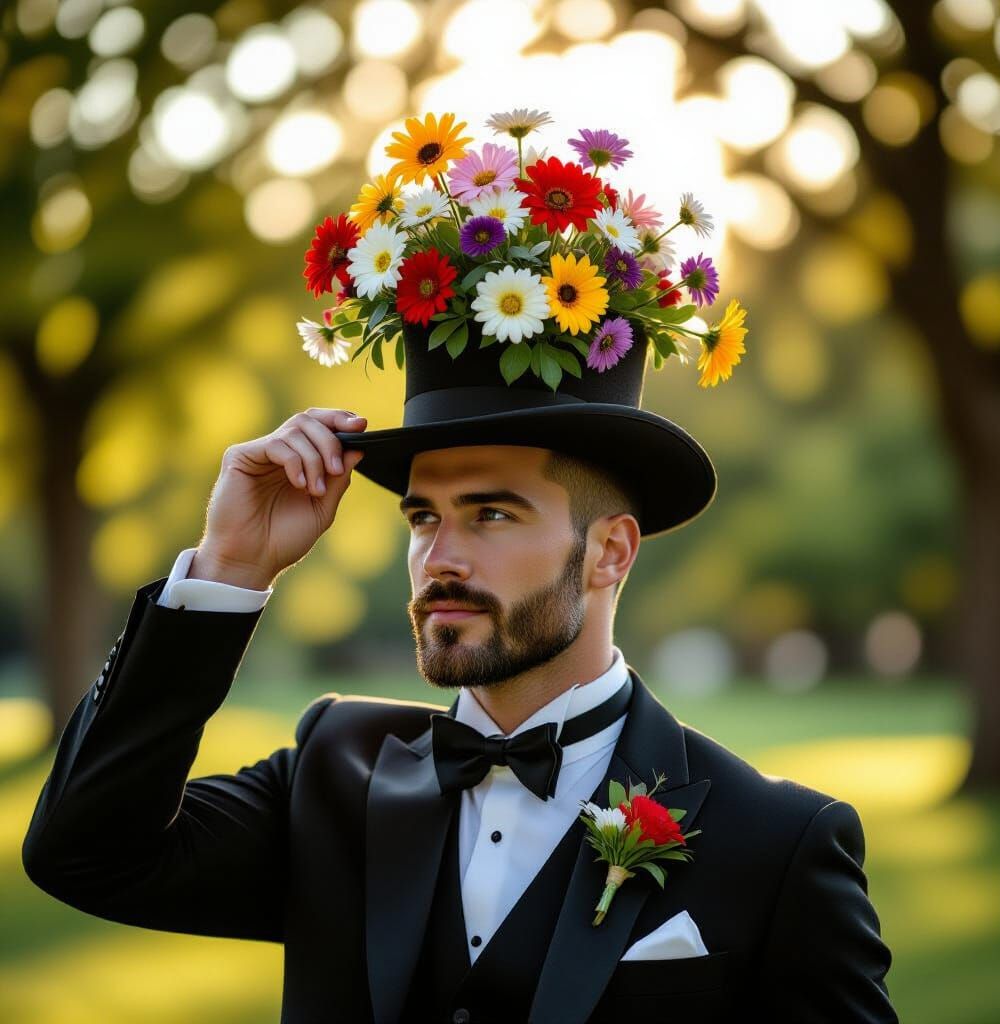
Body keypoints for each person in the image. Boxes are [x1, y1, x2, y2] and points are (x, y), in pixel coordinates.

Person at [22, 321, 898, 1023]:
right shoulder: (335, 772)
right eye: (422, 518)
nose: (440, 557)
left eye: (490, 514)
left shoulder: (778, 842)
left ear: (610, 553)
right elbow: (85, 854)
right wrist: (229, 569)